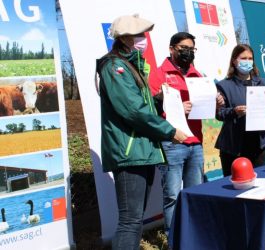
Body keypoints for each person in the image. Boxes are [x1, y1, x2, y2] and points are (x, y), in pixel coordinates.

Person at [96, 14, 187, 249]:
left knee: (135, 219)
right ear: (125, 38)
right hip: (129, 153)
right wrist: (168, 130)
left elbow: (141, 105)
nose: (143, 39)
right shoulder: (114, 66)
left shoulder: (131, 65)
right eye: (139, 35)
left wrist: (159, 99)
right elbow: (133, 111)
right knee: (130, 220)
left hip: (142, 150)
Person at [149, 32, 224, 235]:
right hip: (172, 143)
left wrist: (216, 102)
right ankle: (173, 238)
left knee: (195, 192)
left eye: (192, 48)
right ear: (171, 48)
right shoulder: (159, 74)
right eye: (183, 48)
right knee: (172, 194)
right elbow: (150, 111)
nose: (188, 52)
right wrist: (175, 108)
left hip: (196, 143)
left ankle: (193, 237)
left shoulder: (197, 75)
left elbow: (210, 109)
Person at [215, 44, 265, 177]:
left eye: (250, 58)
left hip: (258, 145)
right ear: (234, 60)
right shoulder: (224, 85)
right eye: (243, 58)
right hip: (233, 146)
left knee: (258, 183)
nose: (247, 61)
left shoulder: (261, 82)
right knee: (234, 185)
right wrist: (234, 111)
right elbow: (219, 114)